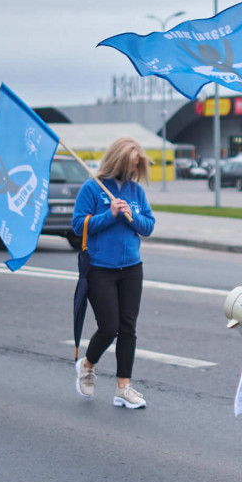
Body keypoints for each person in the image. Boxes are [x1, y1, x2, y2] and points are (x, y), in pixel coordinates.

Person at [72, 138, 156, 408]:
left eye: (137, 167)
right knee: (109, 327)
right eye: (130, 166)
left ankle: (123, 388)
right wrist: (109, 215)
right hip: (100, 269)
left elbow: (148, 226)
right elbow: (78, 225)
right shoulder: (92, 188)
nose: (133, 172)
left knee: (128, 328)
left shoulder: (136, 191)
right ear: (118, 162)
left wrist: (133, 216)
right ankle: (86, 365)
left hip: (132, 267)